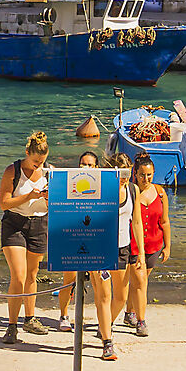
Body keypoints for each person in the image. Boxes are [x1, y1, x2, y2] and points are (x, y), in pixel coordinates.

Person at [53, 150, 119, 358]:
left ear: (97, 167)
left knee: (104, 294)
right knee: (69, 280)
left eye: (90, 164)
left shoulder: (105, 187)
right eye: (83, 163)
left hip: (98, 246)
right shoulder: (70, 184)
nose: (86, 167)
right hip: (74, 242)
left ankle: (107, 341)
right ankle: (64, 315)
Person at [0, 131, 53, 344]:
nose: (38, 166)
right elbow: (4, 203)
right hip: (14, 223)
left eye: (42, 162)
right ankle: (12, 326)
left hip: (39, 223)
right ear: (27, 153)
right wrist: (29, 196)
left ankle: (30, 318)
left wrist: (48, 198)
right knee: (18, 276)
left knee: (32, 274)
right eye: (35, 162)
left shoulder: (49, 172)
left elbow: (57, 205)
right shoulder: (13, 170)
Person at [119, 152, 168, 338]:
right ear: (135, 174)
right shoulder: (129, 191)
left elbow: (165, 221)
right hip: (132, 244)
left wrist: (168, 246)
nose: (145, 179)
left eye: (149, 175)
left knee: (140, 282)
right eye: (142, 175)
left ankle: (131, 314)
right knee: (139, 282)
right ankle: (138, 319)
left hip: (153, 245)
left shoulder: (160, 193)